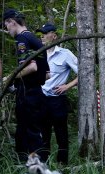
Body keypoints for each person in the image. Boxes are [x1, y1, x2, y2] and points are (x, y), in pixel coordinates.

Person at [2, 9, 49, 162]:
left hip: (28, 92)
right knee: (25, 129)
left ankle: (38, 167)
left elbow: (31, 67)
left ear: (12, 22)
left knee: (30, 130)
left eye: (6, 25)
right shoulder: (34, 39)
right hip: (36, 91)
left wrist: (9, 78)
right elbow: (47, 73)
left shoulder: (22, 39)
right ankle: (24, 162)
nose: (6, 29)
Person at [37, 23, 78, 164]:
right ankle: (44, 166)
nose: (42, 36)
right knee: (43, 135)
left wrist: (68, 85)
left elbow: (84, 71)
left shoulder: (65, 54)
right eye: (40, 33)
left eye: (45, 33)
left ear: (54, 36)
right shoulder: (38, 53)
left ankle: (63, 165)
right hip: (42, 99)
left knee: (61, 135)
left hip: (57, 100)